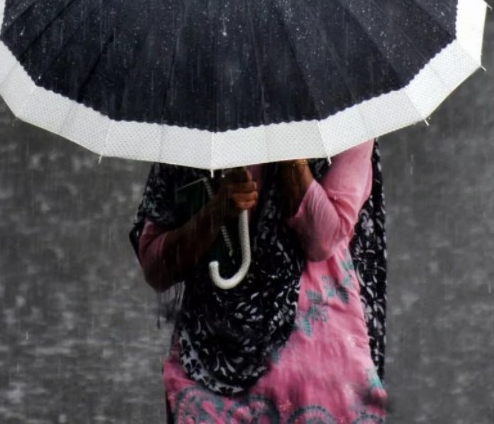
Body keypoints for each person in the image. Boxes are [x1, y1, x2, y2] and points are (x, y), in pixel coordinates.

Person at [130, 140, 388, 423]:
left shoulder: (343, 124)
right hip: (209, 367)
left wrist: (288, 142)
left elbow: (321, 238)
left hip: (315, 371)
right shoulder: (196, 130)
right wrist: (215, 212)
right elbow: (157, 267)